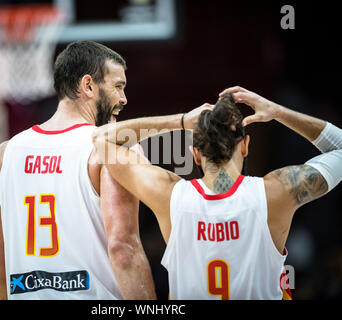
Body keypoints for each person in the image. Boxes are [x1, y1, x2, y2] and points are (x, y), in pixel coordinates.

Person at [92, 86, 342, 299]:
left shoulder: (168, 196)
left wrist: (179, 121)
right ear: (245, 146)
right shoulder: (276, 192)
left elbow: (101, 139)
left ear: (196, 154)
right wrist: (276, 111)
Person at [0, 40, 156, 300]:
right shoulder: (110, 149)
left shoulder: (4, 155)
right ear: (88, 86)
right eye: (118, 87)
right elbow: (124, 250)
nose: (123, 98)